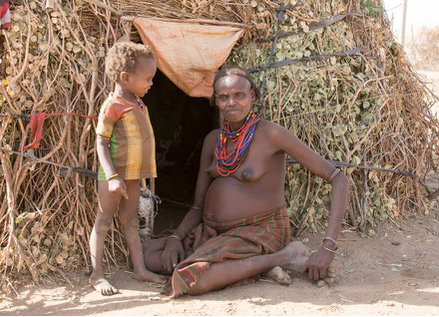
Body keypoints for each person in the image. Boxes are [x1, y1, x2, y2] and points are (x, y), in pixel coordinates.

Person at [143, 65, 350, 297]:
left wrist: (328, 246)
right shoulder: (213, 140)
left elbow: (338, 179)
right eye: (223, 97)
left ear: (252, 95)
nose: (231, 102)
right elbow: (198, 206)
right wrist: (175, 238)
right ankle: (263, 266)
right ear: (216, 102)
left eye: (239, 95)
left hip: (260, 229)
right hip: (214, 232)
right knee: (150, 257)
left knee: (192, 281)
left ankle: (286, 256)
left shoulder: (271, 134)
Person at [90, 42, 167, 295]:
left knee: (131, 222)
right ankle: (97, 275)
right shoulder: (112, 105)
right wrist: (112, 177)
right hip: (113, 175)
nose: (150, 83)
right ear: (126, 77)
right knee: (103, 222)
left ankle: (140, 270)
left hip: (133, 176)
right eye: (147, 79)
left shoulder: (138, 103)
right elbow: (101, 143)